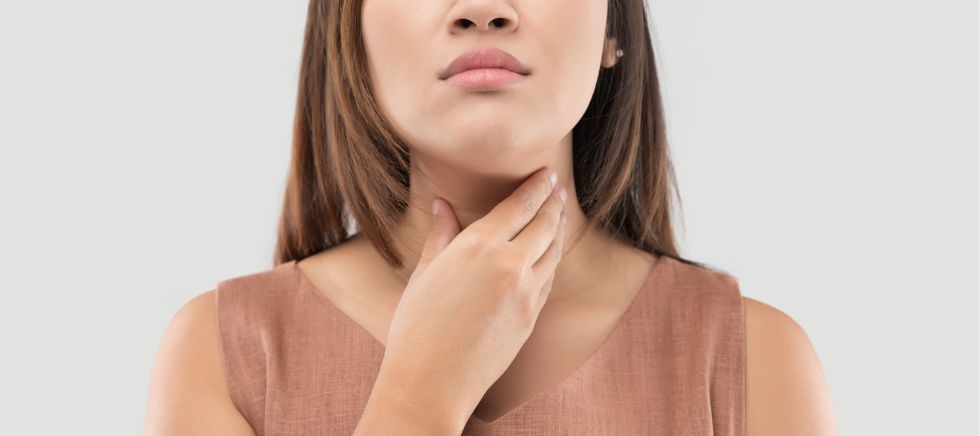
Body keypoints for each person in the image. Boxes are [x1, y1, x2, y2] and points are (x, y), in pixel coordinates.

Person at [143, 1, 837, 435]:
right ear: (349, 30)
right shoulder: (225, 356)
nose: (482, 10)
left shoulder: (751, 363)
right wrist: (418, 397)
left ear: (612, 32)